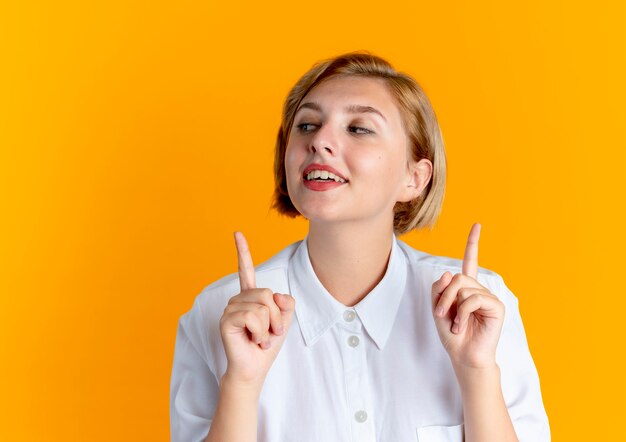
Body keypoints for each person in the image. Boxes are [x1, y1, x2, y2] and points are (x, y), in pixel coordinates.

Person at [169, 51, 550, 441]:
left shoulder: (482, 310)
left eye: (359, 128)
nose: (319, 141)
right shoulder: (217, 313)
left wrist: (477, 371)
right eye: (307, 125)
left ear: (415, 178)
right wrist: (242, 384)